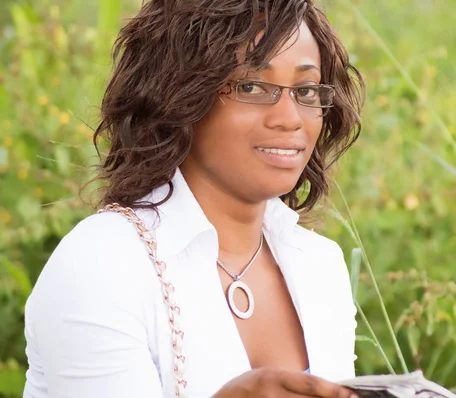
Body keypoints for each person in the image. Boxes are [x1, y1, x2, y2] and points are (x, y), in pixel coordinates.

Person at [23, 0, 364, 396]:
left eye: (305, 90)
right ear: (180, 96)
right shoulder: (103, 263)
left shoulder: (320, 265)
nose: (289, 118)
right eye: (250, 86)